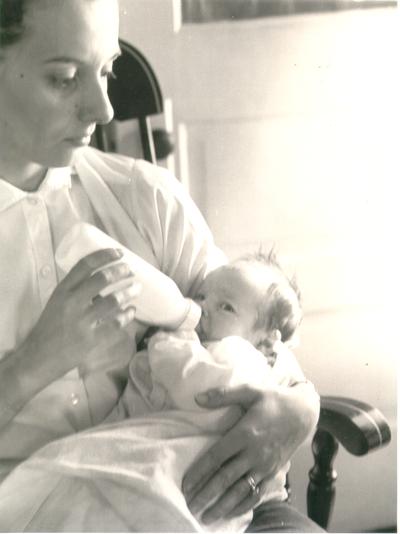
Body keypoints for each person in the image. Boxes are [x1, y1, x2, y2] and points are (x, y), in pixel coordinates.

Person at [0, 0, 323, 531]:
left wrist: (299, 411)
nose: (104, 109)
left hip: (190, 504)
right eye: (63, 78)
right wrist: (32, 363)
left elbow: (255, 338)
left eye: (107, 70)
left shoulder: (145, 200)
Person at [0, 250, 312, 532]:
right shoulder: (221, 338)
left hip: (177, 470)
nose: (202, 310)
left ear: (267, 342)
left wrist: (303, 407)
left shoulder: (235, 354)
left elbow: (206, 387)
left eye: (225, 307)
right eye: (201, 297)